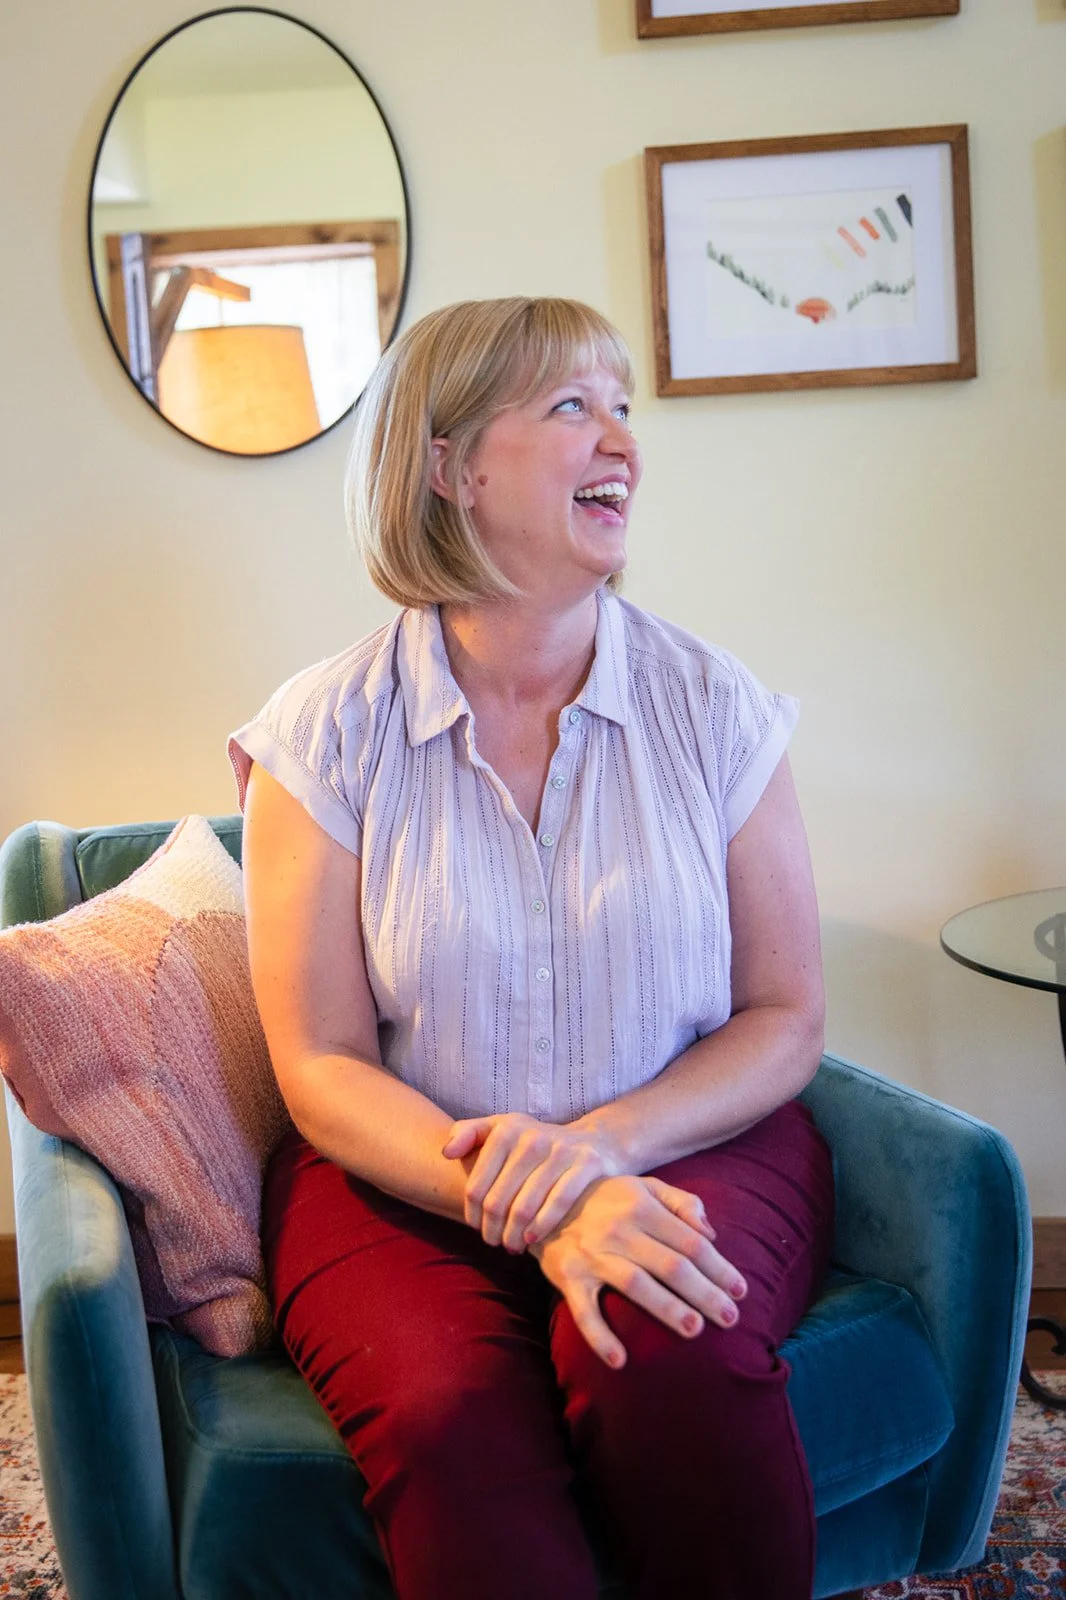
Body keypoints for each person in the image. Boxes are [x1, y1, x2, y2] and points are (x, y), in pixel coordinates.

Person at [227, 296, 834, 1600]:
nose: (620, 436)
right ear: (449, 466)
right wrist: (550, 1195)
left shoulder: (715, 708)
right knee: (446, 1422)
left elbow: (783, 1015)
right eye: (571, 406)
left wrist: (600, 1151)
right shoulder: (321, 733)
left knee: (663, 1348)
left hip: (694, 1140)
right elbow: (320, 1062)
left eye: (623, 404)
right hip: (395, 1170)